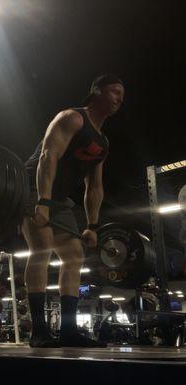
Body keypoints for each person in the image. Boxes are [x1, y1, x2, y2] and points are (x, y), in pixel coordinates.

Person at [22, 73, 125, 347]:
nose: (119, 98)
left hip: (60, 199)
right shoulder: (72, 118)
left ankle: (68, 331)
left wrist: (92, 225)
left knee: (74, 255)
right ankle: (39, 332)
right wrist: (42, 201)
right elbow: (48, 155)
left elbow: (95, 187)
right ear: (96, 92)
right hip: (33, 187)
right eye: (114, 91)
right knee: (41, 247)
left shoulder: (102, 142)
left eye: (121, 95)